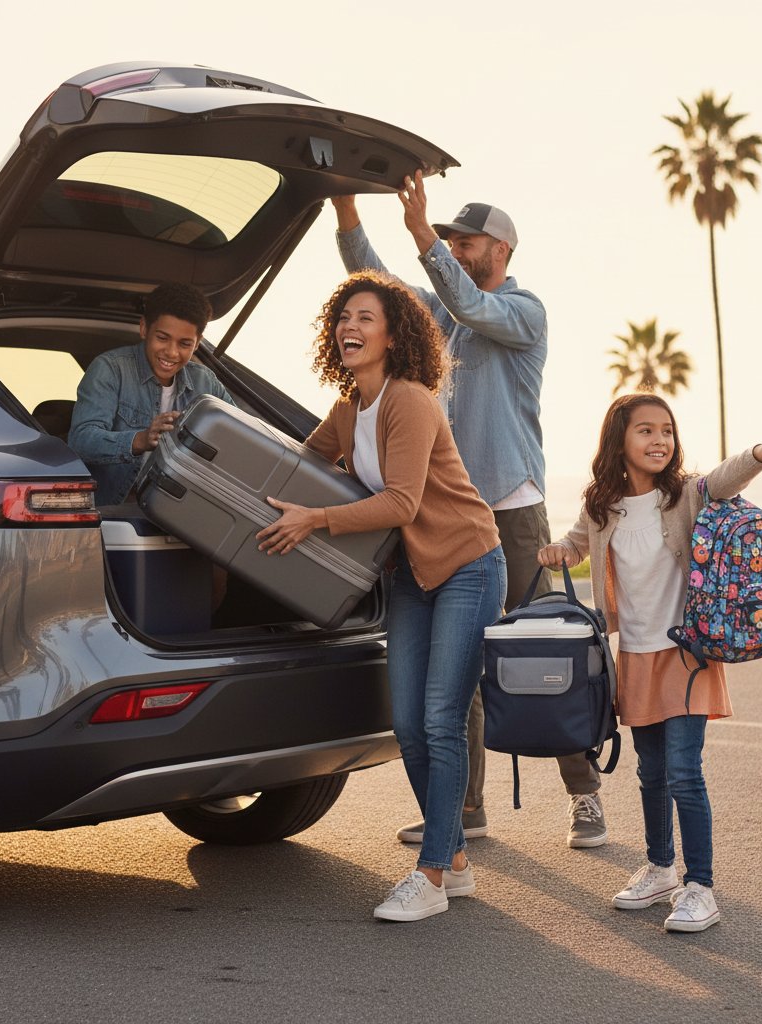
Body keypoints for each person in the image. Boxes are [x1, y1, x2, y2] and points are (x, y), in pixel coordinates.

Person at [332, 172, 606, 849]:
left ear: (502, 250)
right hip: (444, 523)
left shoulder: (522, 312)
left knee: (545, 656)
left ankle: (585, 796)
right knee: (461, 675)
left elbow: (463, 298)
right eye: (449, 239)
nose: (454, 247)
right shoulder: (442, 316)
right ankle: (465, 808)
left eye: (465, 240)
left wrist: (424, 235)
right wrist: (345, 212)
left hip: (511, 517)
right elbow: (381, 286)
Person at [257, 271, 506, 922]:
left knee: (441, 721)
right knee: (407, 726)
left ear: (394, 336)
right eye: (343, 317)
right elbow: (297, 471)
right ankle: (454, 862)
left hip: (468, 564)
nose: (350, 327)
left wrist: (313, 519)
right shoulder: (348, 411)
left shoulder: (410, 401)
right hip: (411, 576)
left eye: (365, 318)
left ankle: (429, 875)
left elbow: (401, 501)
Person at [537, 393, 762, 932]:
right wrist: (560, 548)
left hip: (687, 651)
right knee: (649, 771)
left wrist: (758, 454)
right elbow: (579, 542)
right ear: (619, 442)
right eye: (646, 431)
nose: (659, 441)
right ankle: (660, 868)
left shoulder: (683, 495)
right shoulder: (601, 505)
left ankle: (701, 886)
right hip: (633, 654)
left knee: (683, 771)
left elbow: (724, 479)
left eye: (667, 432)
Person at [68, 282, 234, 505]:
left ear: (197, 344)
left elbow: (240, 435)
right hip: (117, 510)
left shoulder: (206, 381)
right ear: (144, 328)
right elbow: (82, 440)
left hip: (180, 512)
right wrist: (141, 439)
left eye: (185, 343)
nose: (172, 352)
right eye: (162, 338)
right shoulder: (111, 369)